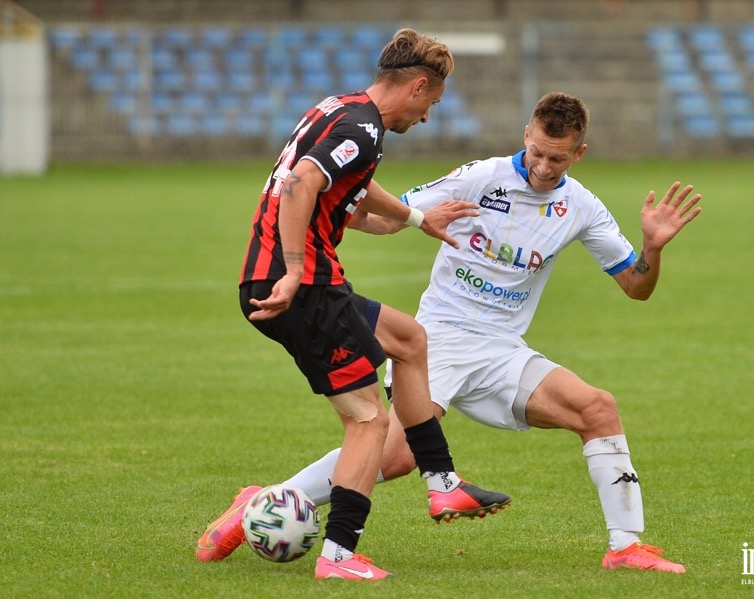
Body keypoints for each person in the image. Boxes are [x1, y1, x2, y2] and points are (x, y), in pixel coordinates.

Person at [282, 92, 702, 573]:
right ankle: (276, 499)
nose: (544, 166)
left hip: (502, 352)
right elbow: (378, 216)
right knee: (396, 456)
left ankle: (625, 547)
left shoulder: (582, 206)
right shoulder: (482, 177)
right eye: (538, 151)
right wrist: (368, 214)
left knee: (597, 407)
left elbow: (636, 286)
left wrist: (653, 247)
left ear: (579, 153)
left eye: (558, 158)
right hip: (438, 339)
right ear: (526, 133)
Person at [195, 28, 510, 581]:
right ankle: (339, 555)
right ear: (416, 86)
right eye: (431, 103)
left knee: (410, 340)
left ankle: (443, 485)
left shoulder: (340, 108)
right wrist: (295, 271)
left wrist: (415, 218)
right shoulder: (362, 128)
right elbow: (300, 186)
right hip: (304, 288)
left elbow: (354, 191)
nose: (428, 117)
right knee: (368, 421)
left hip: (305, 284)